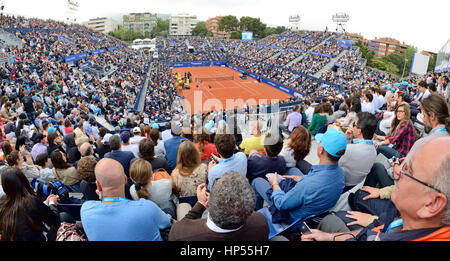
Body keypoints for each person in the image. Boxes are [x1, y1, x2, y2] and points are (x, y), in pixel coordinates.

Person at [302, 137, 450, 241]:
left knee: (328, 220)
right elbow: (374, 230)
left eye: (409, 170)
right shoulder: (402, 219)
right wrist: (328, 237)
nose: (397, 171)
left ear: (432, 203)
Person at [252, 128, 347, 222]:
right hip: (315, 206)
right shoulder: (341, 174)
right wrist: (301, 178)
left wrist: (274, 184)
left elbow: (282, 204)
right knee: (293, 170)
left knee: (257, 181)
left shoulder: (308, 184)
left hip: (292, 215)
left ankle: (256, 212)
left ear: (321, 150)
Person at [80, 158, 171, 241]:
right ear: (125, 179)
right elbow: (167, 223)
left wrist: (102, 196)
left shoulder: (86, 209)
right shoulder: (148, 207)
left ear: (98, 185)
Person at [168, 171, 269, 241]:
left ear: (209, 204)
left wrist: (200, 204)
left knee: (182, 206)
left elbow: (182, 225)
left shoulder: (179, 234)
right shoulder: (260, 222)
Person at [0, 167, 61, 241]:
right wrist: (52, 204)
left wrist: (45, 204)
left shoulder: (2, 203)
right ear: (23, 181)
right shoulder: (31, 201)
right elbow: (55, 222)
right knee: (64, 216)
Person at [338, 112, 378, 191]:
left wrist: (344, 138)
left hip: (341, 186)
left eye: (354, 125)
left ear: (359, 131)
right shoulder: (374, 150)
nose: (351, 127)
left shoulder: (349, 150)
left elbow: (330, 162)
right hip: (355, 185)